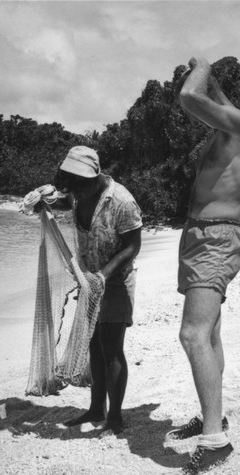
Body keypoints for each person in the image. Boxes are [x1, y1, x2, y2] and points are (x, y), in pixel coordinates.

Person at [166, 57, 240, 475]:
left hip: (216, 239)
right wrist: (214, 80)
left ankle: (214, 442)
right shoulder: (233, 128)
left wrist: (202, 65)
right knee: (211, 334)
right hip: (202, 238)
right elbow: (211, 96)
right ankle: (214, 418)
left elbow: (191, 96)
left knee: (193, 334)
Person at [50, 146, 143, 435]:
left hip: (114, 282)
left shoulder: (122, 202)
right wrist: (43, 201)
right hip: (89, 282)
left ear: (94, 178)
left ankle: (115, 417)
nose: (76, 195)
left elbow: (133, 246)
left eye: (79, 189)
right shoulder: (78, 192)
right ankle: (95, 408)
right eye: (73, 191)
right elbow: (64, 201)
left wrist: (103, 276)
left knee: (112, 349)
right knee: (94, 346)